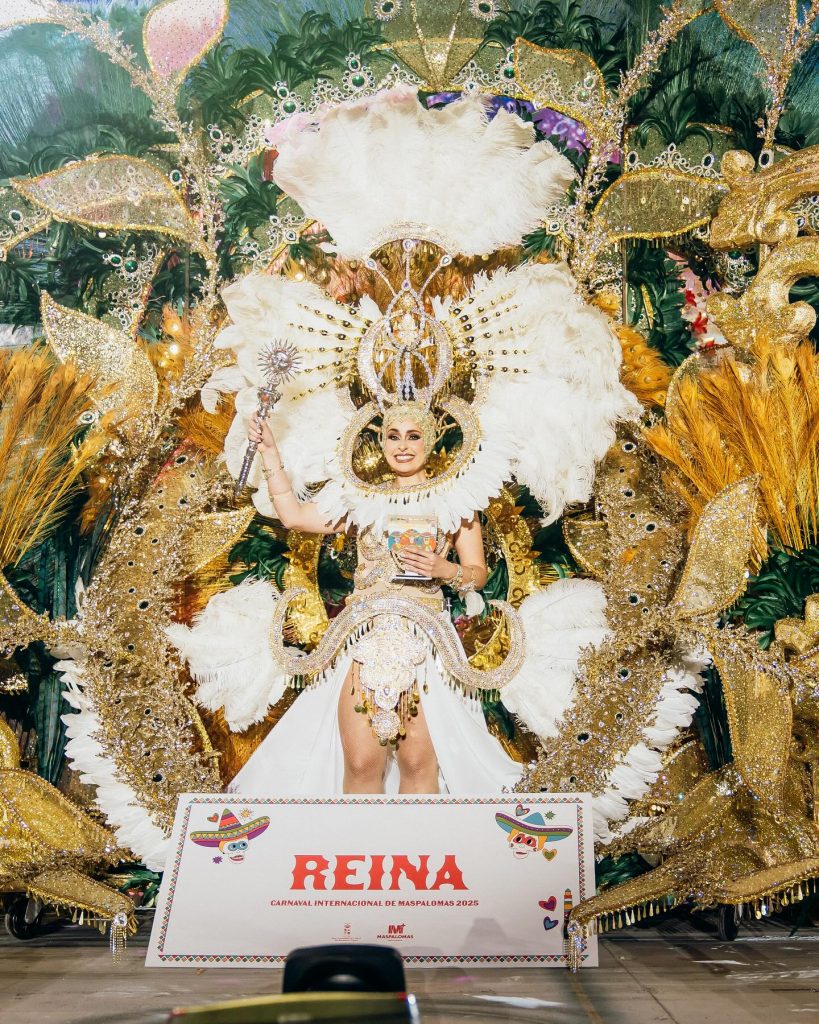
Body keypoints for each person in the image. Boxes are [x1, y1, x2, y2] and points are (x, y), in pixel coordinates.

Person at [238, 400, 519, 797]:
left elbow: (478, 573)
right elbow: (295, 517)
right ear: (382, 443)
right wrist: (270, 453)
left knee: (418, 763)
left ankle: (417, 855)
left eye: (413, 436)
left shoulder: (456, 500)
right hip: (363, 638)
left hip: (425, 640)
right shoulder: (361, 500)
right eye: (393, 436)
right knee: (361, 762)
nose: (402, 446)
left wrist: (445, 570)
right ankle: (360, 852)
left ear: (430, 441)